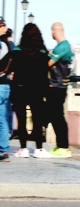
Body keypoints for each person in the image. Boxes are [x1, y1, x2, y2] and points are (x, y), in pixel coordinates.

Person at [10, 23, 50, 158]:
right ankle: (39, 148)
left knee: (21, 119)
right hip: (37, 89)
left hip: (20, 88)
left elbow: (11, 68)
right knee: (37, 119)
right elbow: (46, 71)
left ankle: (23, 148)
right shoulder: (43, 52)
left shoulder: (17, 51)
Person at [46, 22, 75, 158]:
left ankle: (63, 147)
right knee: (55, 116)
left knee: (57, 117)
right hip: (59, 85)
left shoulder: (62, 47)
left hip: (57, 86)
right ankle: (60, 146)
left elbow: (48, 64)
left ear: (54, 32)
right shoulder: (65, 46)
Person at [0, 19, 13, 162]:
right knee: (2, 118)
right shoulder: (9, 45)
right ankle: (4, 149)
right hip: (4, 85)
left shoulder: (1, 45)